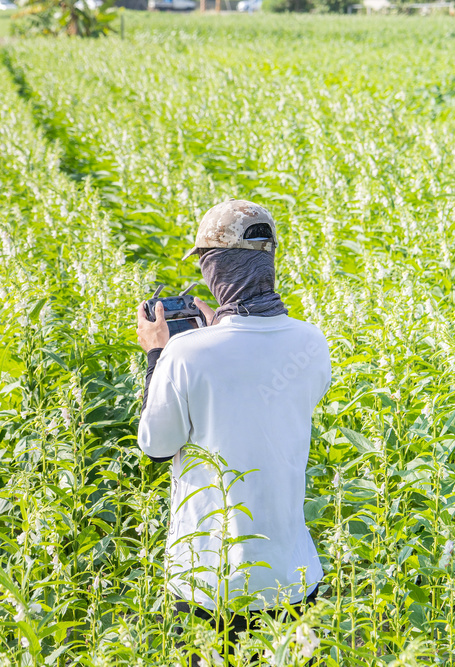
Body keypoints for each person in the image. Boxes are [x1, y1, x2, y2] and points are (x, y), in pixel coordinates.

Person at [135, 200, 331, 664]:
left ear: (216, 268)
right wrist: (221, 326)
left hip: (210, 581)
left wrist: (157, 357)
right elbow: (263, 394)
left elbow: (157, 446)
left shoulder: (185, 353)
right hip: (293, 575)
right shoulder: (312, 341)